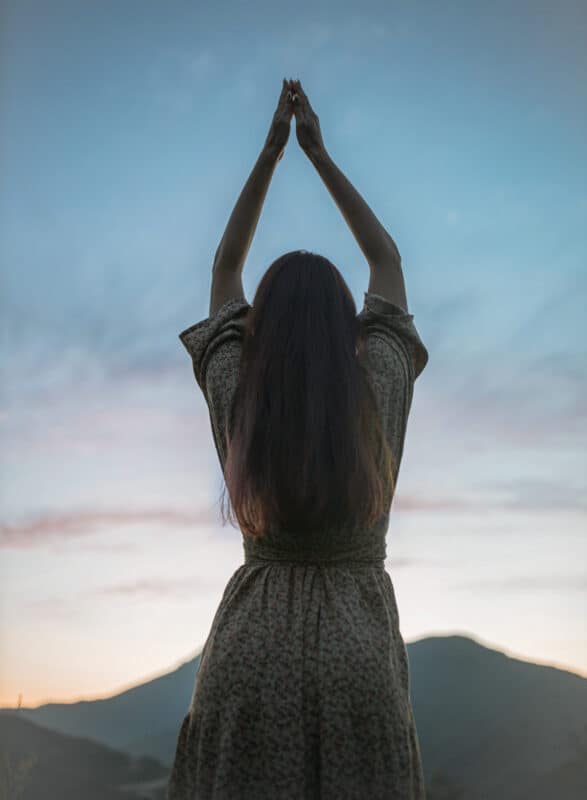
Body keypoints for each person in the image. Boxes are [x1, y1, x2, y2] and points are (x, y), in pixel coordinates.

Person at [167, 78, 429, 800]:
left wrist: (270, 153)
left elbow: (224, 269)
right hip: (359, 646)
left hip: (252, 649)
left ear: (258, 336)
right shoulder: (377, 391)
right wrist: (319, 153)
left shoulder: (240, 400)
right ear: (349, 329)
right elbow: (389, 264)